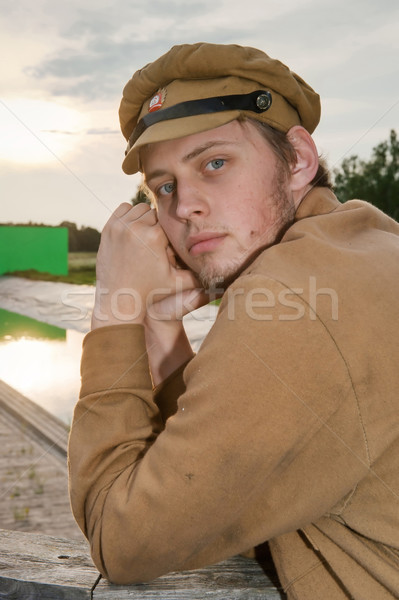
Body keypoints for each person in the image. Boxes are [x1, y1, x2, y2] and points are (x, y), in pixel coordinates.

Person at [68, 43, 399, 599]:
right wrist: (163, 330)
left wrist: (116, 310)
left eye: (214, 163)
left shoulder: (293, 302)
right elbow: (229, 489)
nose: (183, 207)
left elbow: (121, 538)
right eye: (164, 186)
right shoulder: (364, 246)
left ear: (298, 160)